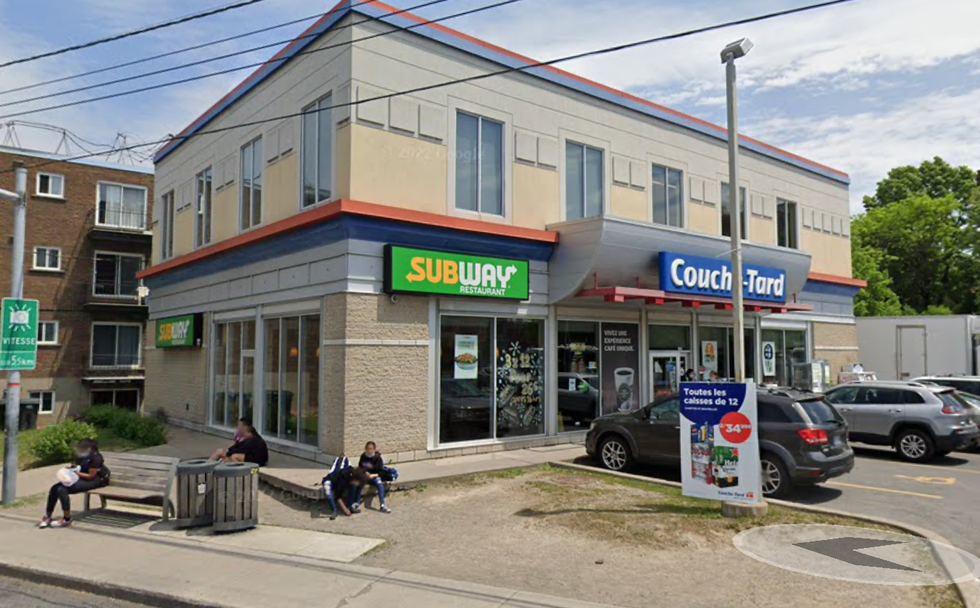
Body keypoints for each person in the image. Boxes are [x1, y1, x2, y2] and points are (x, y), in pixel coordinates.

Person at [39, 439, 110, 529]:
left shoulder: (96, 458)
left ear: (90, 448)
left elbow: (90, 476)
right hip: (81, 478)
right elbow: (75, 466)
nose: (79, 449)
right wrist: (69, 470)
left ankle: (67, 519)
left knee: (62, 490)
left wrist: (75, 472)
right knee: (54, 488)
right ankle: (48, 516)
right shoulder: (82, 456)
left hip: (96, 480)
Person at [350, 441, 392, 514]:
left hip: (374, 476)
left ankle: (382, 505)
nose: (369, 451)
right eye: (368, 449)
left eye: (371, 449)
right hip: (365, 476)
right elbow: (360, 467)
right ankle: (357, 504)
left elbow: (381, 472)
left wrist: (373, 475)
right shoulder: (363, 456)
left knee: (379, 484)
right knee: (359, 484)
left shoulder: (377, 458)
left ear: (374, 449)